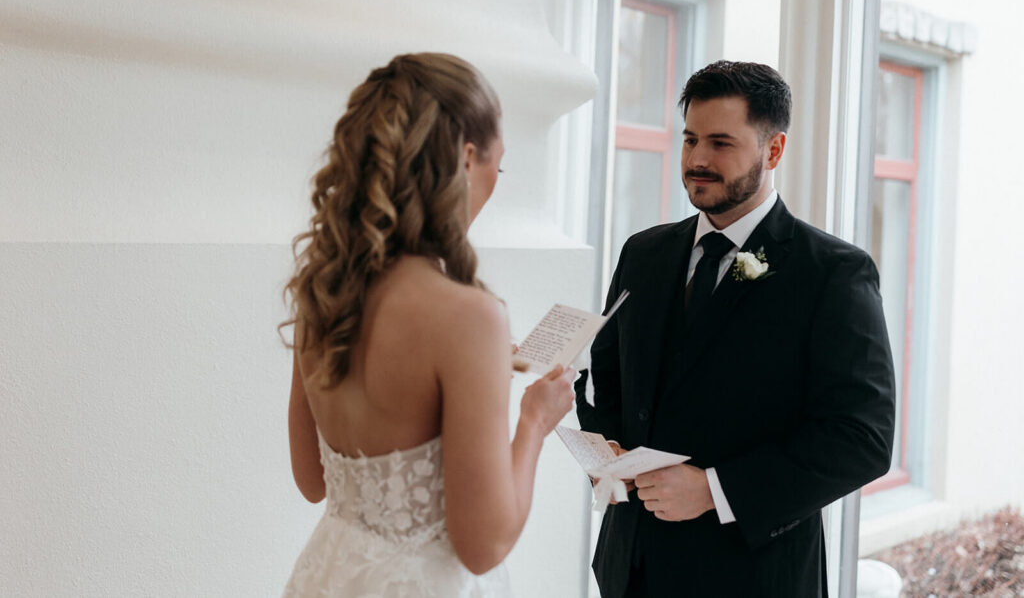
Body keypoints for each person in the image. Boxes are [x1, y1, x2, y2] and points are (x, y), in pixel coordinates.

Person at [575, 60, 896, 597]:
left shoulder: (834, 272)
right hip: (629, 569)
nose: (697, 159)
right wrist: (606, 453)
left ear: (773, 151)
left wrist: (713, 490)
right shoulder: (643, 252)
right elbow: (605, 374)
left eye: (721, 143)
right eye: (690, 139)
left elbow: (861, 438)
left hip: (753, 577)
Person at [280, 53, 574, 597]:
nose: (495, 183)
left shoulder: (322, 289)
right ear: (465, 160)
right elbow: (482, 547)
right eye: (497, 166)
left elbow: (311, 479)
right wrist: (534, 421)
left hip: (329, 577)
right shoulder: (469, 315)